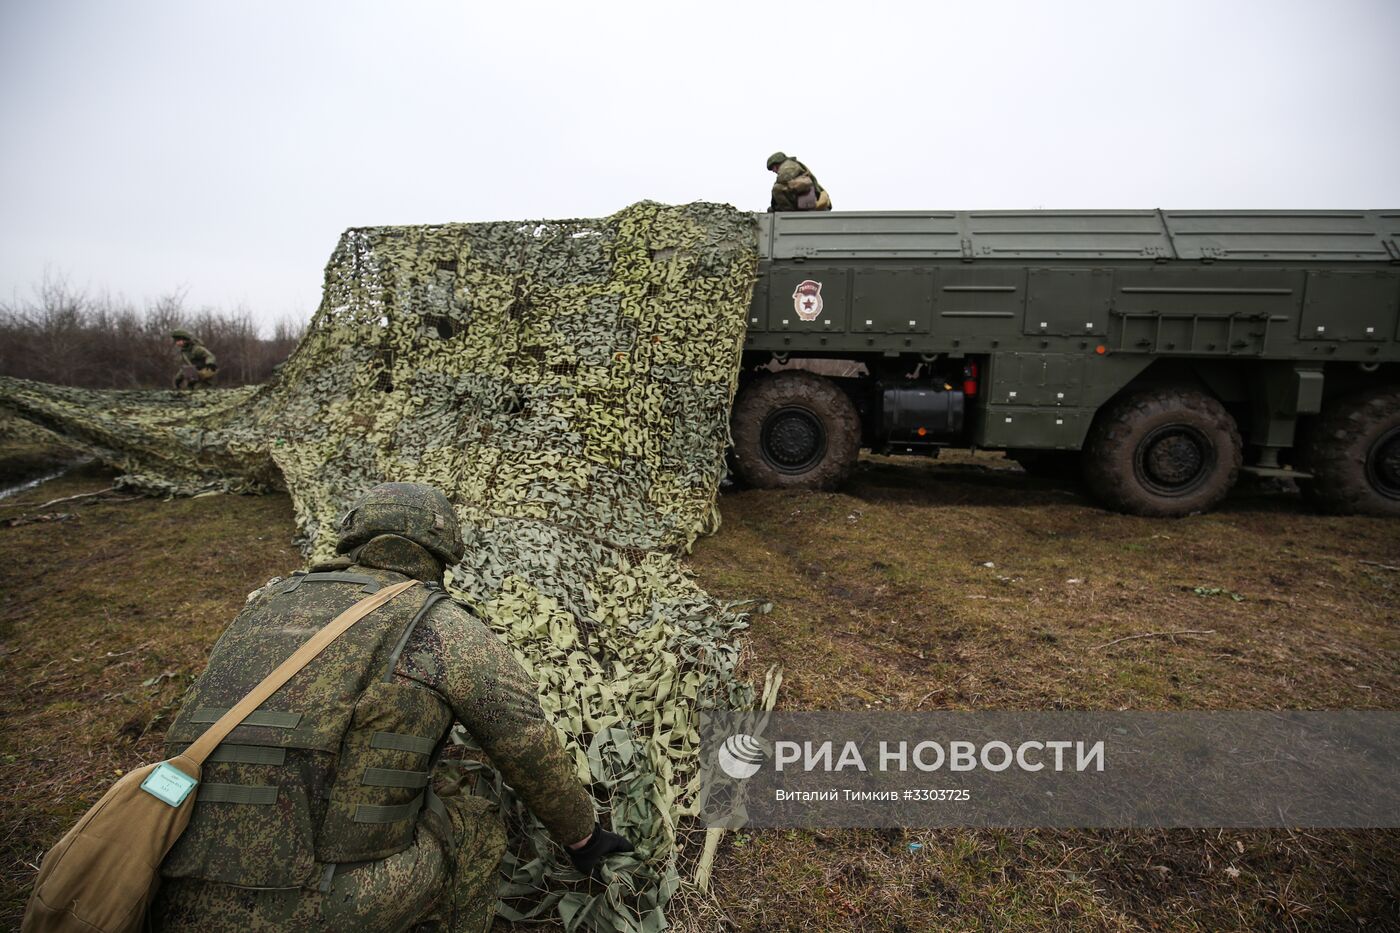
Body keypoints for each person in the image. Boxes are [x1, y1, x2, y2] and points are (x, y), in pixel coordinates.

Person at [151, 482, 632, 932]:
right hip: (314, 905)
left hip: (169, 884)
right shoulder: (442, 626)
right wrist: (583, 837)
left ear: (354, 535)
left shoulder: (265, 604)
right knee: (477, 827)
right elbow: (529, 748)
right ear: (443, 550)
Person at [766, 151, 832, 212]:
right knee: (772, 208)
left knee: (777, 188)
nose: (773, 171)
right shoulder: (790, 164)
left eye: (773, 167)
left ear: (777, 162)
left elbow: (783, 178)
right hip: (806, 200)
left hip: (816, 202)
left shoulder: (789, 165)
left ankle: (788, 214)